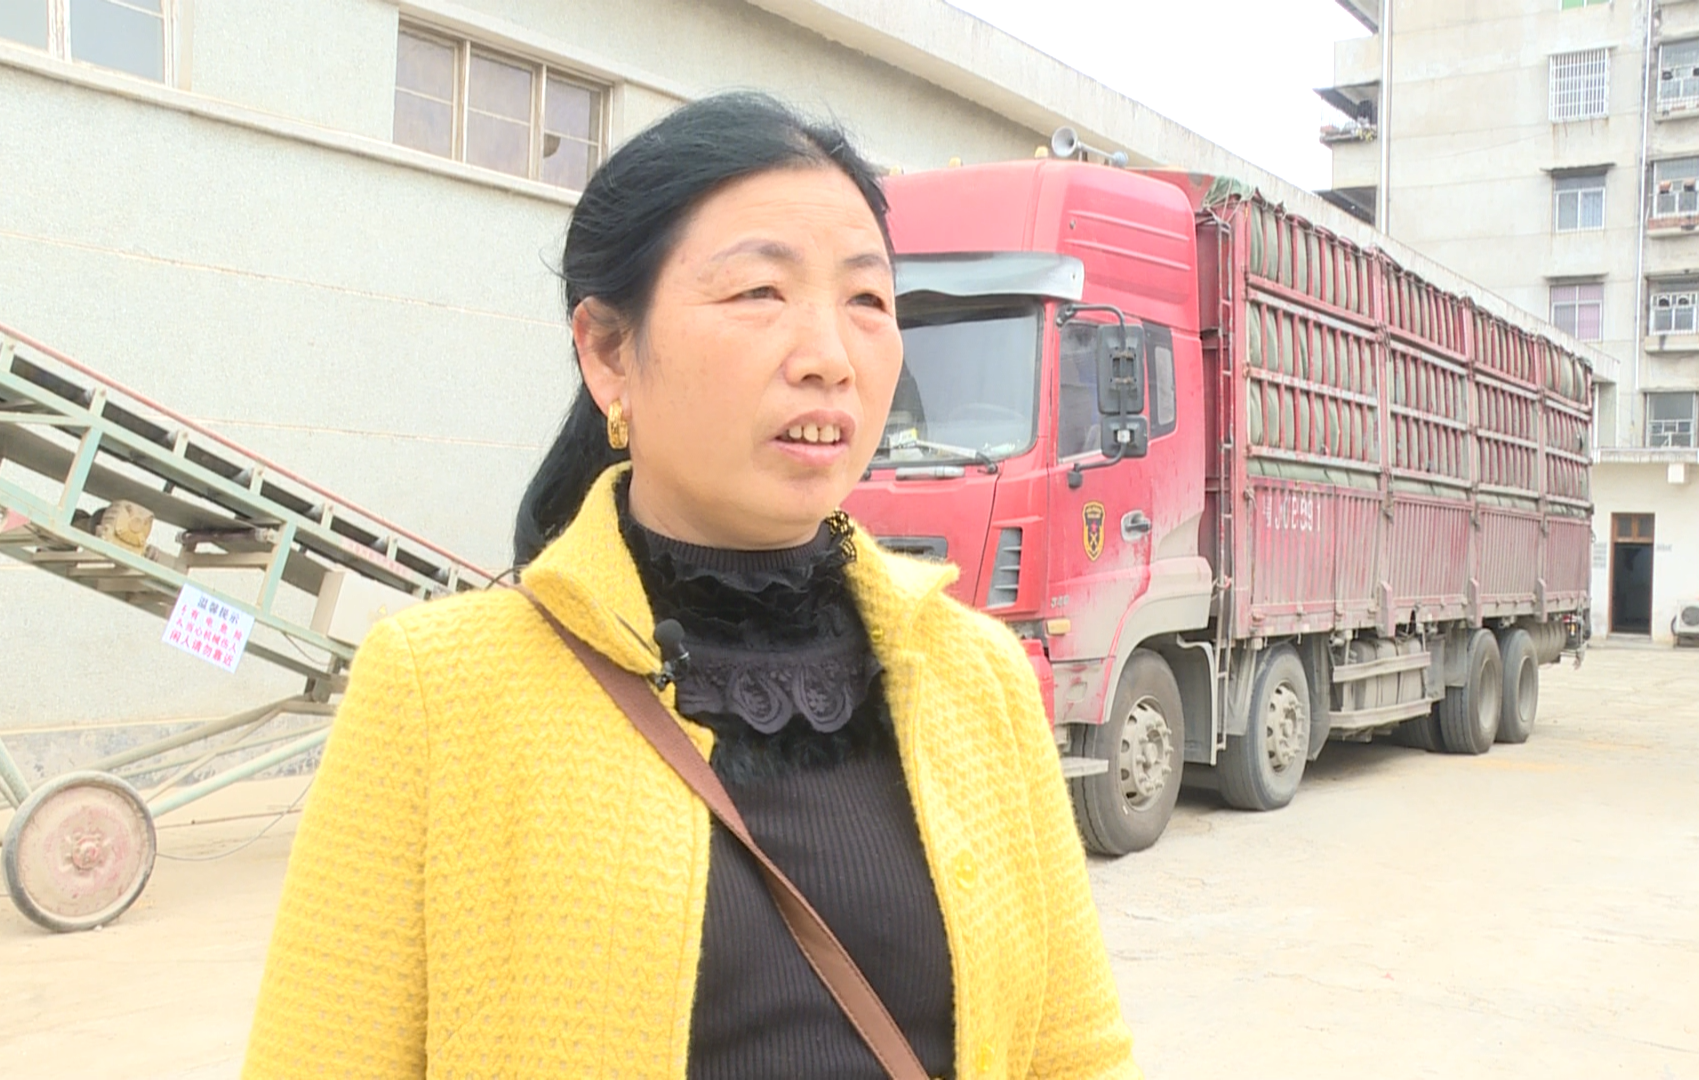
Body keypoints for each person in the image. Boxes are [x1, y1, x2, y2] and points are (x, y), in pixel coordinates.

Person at [243, 92, 1138, 1080]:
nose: (830, 358)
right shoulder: (436, 690)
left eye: (868, 300)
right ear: (608, 351)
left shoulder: (981, 680)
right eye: (759, 292)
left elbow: (1077, 1055)